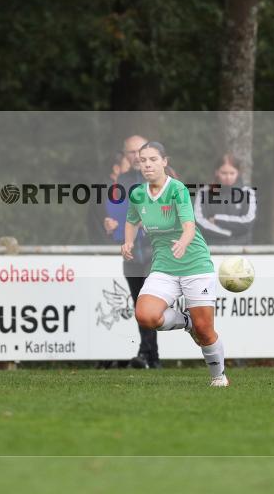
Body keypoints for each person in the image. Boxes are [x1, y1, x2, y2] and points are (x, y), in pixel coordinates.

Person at [121, 141, 228, 386]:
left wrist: (182, 242)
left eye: (153, 159)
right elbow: (132, 220)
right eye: (143, 160)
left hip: (195, 264)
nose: (147, 164)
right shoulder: (138, 193)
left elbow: (189, 226)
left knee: (205, 330)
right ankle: (186, 321)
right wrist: (127, 242)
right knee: (145, 315)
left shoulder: (176, 189)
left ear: (164, 162)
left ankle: (218, 376)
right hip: (164, 266)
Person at [106, 134, 160, 370]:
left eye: (141, 151)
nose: (137, 157)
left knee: (150, 304)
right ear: (125, 155)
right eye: (131, 152)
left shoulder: (163, 180)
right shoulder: (120, 182)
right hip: (131, 254)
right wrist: (109, 224)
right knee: (140, 306)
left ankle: (147, 354)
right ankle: (150, 356)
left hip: (156, 252)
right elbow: (113, 216)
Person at [194, 154, 257, 245]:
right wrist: (228, 233)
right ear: (217, 172)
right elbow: (199, 222)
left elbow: (248, 222)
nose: (228, 177)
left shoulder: (248, 193)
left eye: (232, 173)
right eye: (224, 173)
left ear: (238, 173)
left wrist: (217, 219)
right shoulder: (204, 193)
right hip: (212, 249)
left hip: (242, 250)